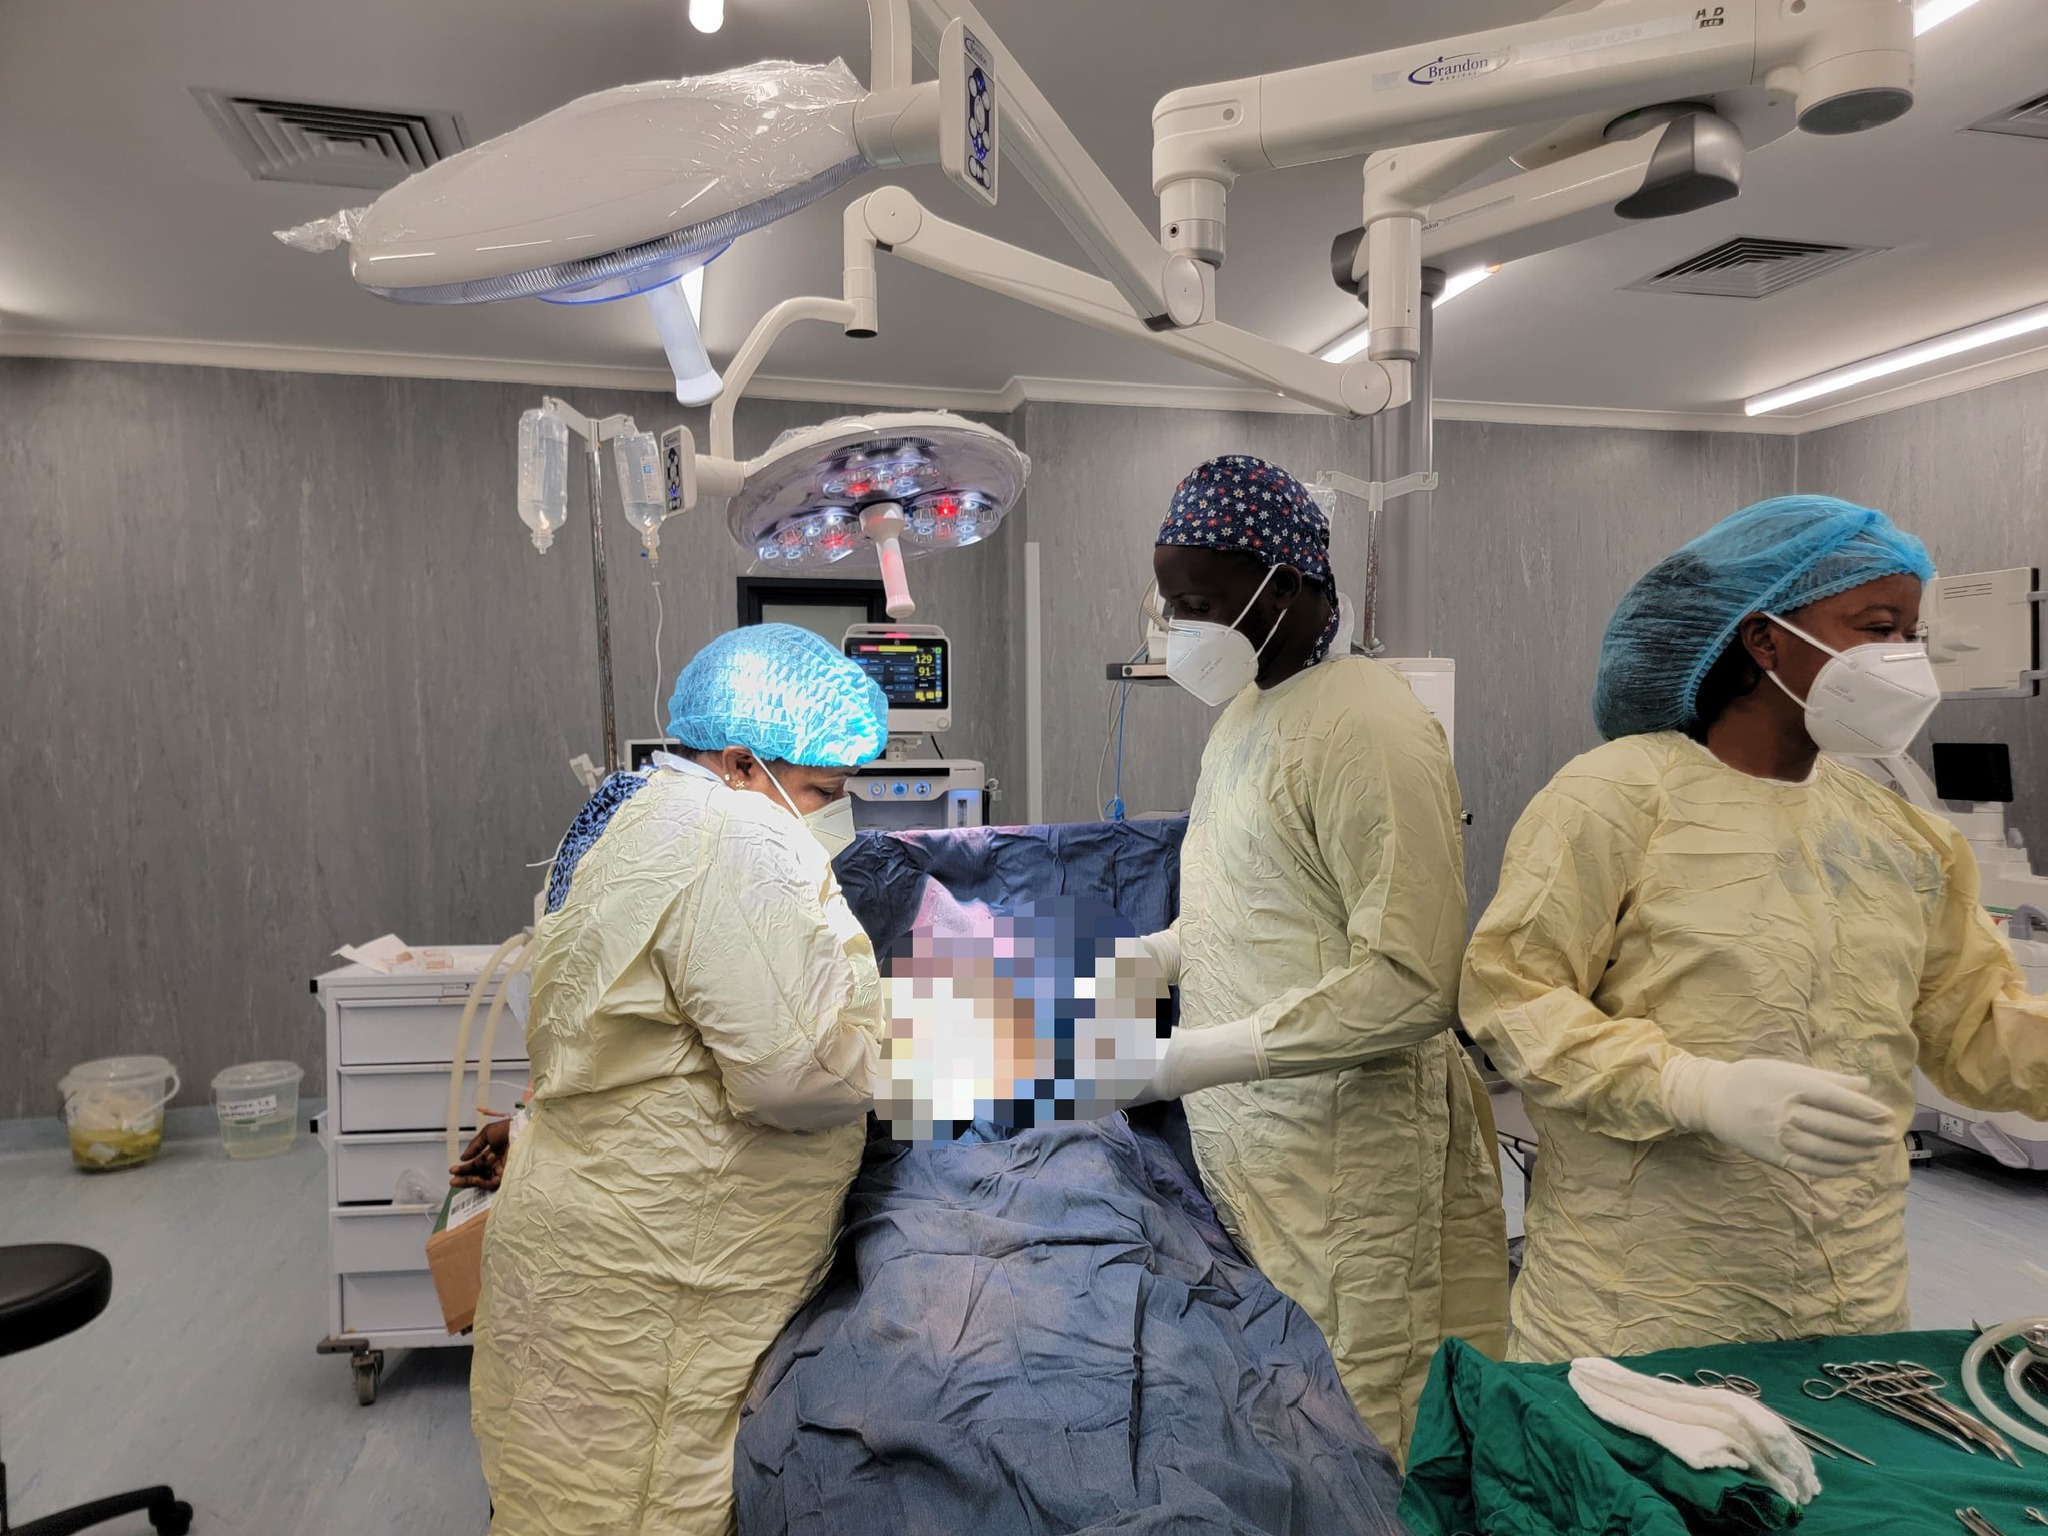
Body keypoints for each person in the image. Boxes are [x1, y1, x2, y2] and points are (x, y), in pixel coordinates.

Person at [1462, 494, 2048, 1364]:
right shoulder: (1617, 797)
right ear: (1765, 639)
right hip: (1641, 1308)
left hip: (1850, 1301)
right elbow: (1512, 1000)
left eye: (1912, 634)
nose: (1904, 659)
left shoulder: (1903, 836)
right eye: (1877, 628)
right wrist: (1691, 1089)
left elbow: (1973, 1032)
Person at [469, 623, 890, 1536]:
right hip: (659, 1278)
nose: (838, 812)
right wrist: (919, 1046)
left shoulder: (632, 811)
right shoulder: (738, 838)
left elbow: (620, 1029)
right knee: (638, 1505)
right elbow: (796, 1078)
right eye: (824, 791)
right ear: (741, 763)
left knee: (553, 1491)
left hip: (578, 1239)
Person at [1133, 454, 1509, 1461]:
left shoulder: (1370, 725)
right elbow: (1256, 905)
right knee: (1282, 1423)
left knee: (1361, 1431)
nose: (1180, 629)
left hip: (1345, 1170)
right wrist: (1150, 959)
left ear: (1285, 586)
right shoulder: (1244, 718)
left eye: (1198, 604)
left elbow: (1409, 982)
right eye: (1170, 606)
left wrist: (1187, 1059)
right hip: (1258, 1152)